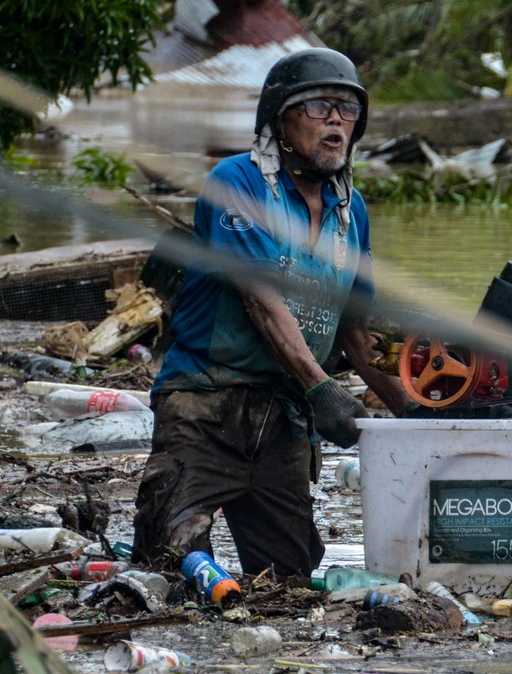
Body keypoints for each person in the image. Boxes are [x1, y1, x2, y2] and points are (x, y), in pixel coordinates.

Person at [133, 48, 406, 578]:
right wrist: (321, 387)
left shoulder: (353, 212)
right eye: (320, 106)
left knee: (288, 582)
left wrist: (416, 417)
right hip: (205, 407)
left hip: (283, 421)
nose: (336, 120)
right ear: (279, 121)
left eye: (347, 110)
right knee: (167, 563)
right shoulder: (237, 182)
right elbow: (259, 298)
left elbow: (355, 329)